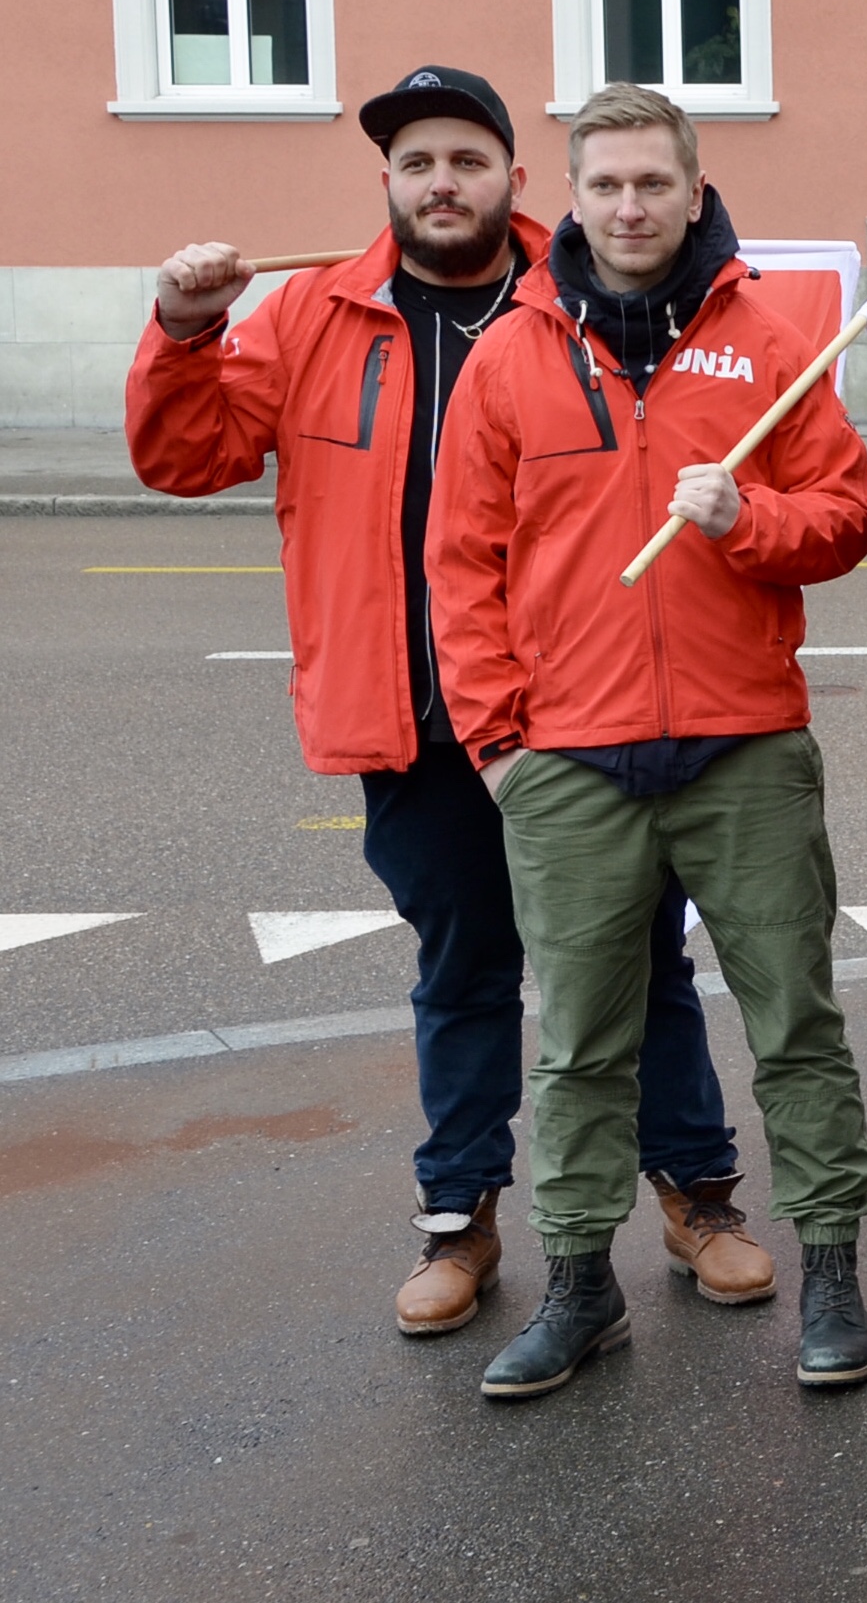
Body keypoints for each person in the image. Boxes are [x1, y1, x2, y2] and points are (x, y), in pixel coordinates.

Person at [124, 65, 764, 1341]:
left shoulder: (575, 300)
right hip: (413, 710)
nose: (441, 183)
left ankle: (697, 1193)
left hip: (581, 705)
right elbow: (186, 454)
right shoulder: (317, 312)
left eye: (466, 159)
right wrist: (183, 328)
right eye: (417, 163)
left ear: (513, 179)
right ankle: (459, 1213)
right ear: (388, 184)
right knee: (464, 965)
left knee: (640, 955)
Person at [429, 82, 867, 1399]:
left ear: (696, 190)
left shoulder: (772, 336)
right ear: (569, 196)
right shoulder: (513, 351)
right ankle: (581, 1286)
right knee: (580, 1042)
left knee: (795, 1024)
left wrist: (751, 521)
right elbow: (460, 566)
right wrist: (500, 743)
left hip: (744, 745)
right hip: (570, 759)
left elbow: (846, 515)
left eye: (654, 183)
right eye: (606, 184)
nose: (631, 207)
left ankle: (834, 1274)